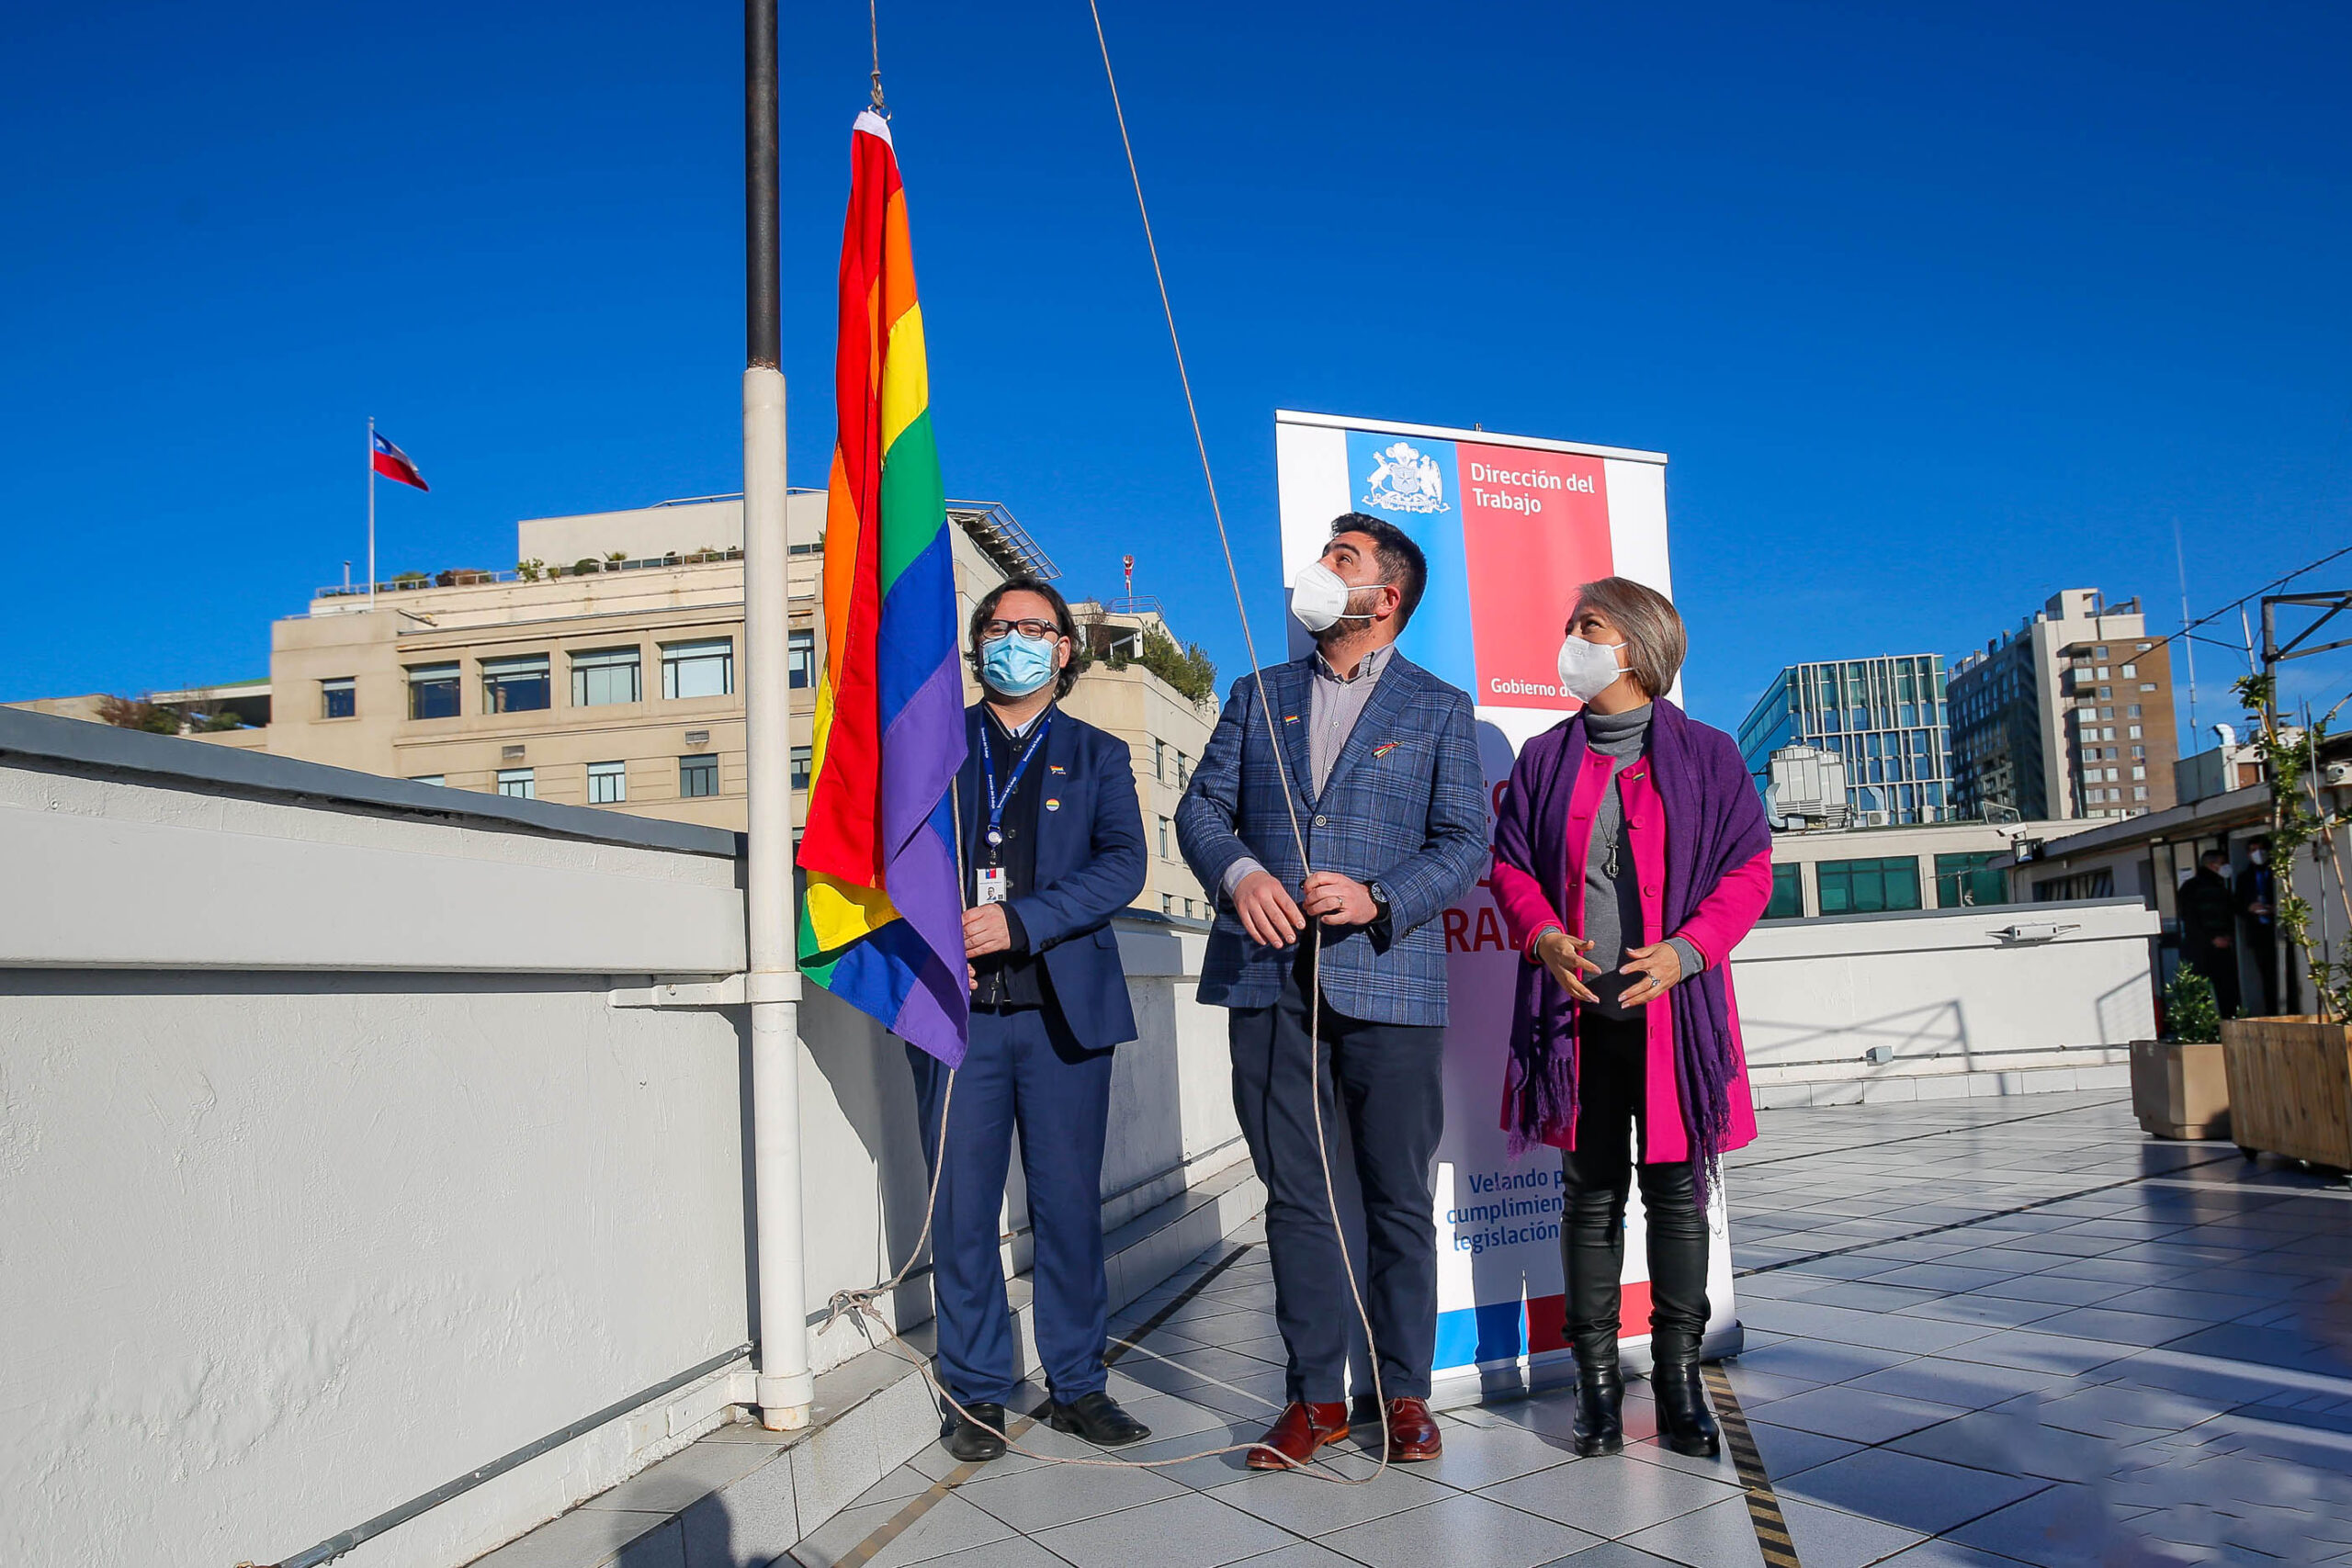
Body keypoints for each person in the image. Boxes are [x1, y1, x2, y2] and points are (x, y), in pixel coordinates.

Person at [1176, 513, 1488, 1469]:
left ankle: (1400, 1394)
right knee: (1297, 1198)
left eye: (1339, 560)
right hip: (1267, 982)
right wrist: (1239, 877)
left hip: (1390, 985)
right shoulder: (1253, 694)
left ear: (1384, 597)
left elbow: (1466, 841)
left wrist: (1378, 896)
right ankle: (1313, 1401)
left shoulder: (1438, 708)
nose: (1316, 572)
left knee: (1395, 1196)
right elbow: (1201, 809)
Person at [1487, 578, 1775, 1461]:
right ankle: (1597, 1391)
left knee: (1679, 1195)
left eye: (1590, 625)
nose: (1570, 638)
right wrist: (1540, 936)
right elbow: (1510, 865)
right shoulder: (1544, 756)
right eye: (1572, 623)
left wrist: (1687, 951)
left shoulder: (1710, 754)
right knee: (1590, 1194)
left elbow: (1750, 868)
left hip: (1673, 1012)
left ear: (1640, 645)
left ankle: (1682, 1383)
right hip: (1578, 1013)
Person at [910, 576, 1154, 1463]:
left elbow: (1124, 864)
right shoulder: (932, 747)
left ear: (1063, 650)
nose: (1014, 638)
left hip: (1062, 1015)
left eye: (1033, 627)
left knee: (1066, 1208)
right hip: (956, 1010)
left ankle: (1078, 1385)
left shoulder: (1097, 752)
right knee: (964, 1210)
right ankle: (973, 1392)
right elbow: (896, 851)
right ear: (977, 645)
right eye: (998, 625)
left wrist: (1022, 921)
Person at [2177, 848, 2241, 1019]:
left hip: (2213, 945)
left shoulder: (2218, 886)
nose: (2226, 867)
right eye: (2223, 863)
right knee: (2211, 988)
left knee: (2222, 988)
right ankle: (2214, 1022)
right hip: (2202, 948)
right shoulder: (2196, 887)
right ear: (2213, 865)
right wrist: (2213, 939)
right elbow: (2191, 920)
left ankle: (2220, 1021)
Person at [2236, 842, 2278, 1018]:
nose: (2258, 853)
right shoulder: (2245, 877)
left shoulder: (2276, 871)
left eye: (2260, 849)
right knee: (2267, 975)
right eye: (2253, 850)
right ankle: (2272, 1010)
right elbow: (2237, 904)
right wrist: (2249, 907)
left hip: (2279, 929)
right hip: (2258, 933)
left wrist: (2277, 908)